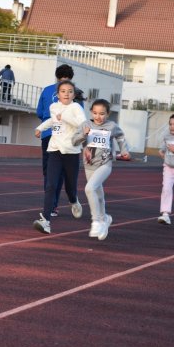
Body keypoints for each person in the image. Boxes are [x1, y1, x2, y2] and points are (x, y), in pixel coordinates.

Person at [33, 80, 86, 234]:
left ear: (74, 94)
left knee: (70, 188)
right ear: (58, 94)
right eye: (63, 91)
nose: (66, 94)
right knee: (50, 185)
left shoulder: (76, 107)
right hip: (54, 150)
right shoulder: (53, 107)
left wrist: (65, 117)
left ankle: (73, 200)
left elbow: (82, 124)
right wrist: (40, 128)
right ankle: (46, 221)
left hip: (71, 152)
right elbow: (53, 120)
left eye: (70, 91)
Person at [73, 99, 130, 240]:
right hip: (89, 165)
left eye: (102, 114)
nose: (98, 117)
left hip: (105, 164)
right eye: (95, 113)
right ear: (91, 112)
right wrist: (83, 135)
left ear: (108, 114)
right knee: (98, 194)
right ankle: (105, 219)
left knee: (89, 188)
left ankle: (97, 221)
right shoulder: (85, 125)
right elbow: (73, 141)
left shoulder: (111, 126)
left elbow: (120, 136)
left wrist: (124, 150)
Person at [36, 64, 75, 217]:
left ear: (56, 76)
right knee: (61, 173)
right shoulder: (74, 93)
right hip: (66, 137)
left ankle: (48, 205)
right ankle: (53, 206)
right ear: (71, 77)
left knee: (48, 172)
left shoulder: (46, 90)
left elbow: (40, 112)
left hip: (47, 135)